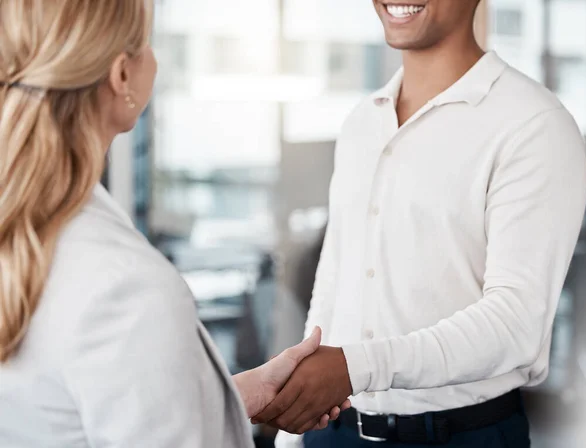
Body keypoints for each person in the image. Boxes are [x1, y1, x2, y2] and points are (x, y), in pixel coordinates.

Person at [0, 1, 350, 447]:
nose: (156, 59)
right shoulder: (126, 288)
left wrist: (233, 394)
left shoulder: (34, 234)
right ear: (121, 76)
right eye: (146, 44)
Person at [259, 0, 586, 447]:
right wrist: (290, 436)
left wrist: (357, 366)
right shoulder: (363, 121)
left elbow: (516, 324)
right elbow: (336, 277)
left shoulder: (534, 125)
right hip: (334, 432)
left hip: (460, 435)